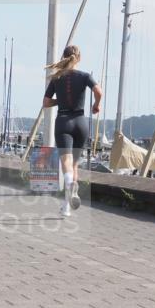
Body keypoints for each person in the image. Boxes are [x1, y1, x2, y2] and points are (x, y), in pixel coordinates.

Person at [42, 45, 102, 216]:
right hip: (80, 122)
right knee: (74, 164)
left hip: (63, 122)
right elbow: (99, 91)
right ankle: (66, 206)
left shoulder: (57, 78)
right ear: (79, 58)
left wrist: (59, 101)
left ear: (63, 57)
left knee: (66, 163)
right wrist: (96, 105)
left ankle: (69, 185)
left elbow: (46, 103)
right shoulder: (84, 76)